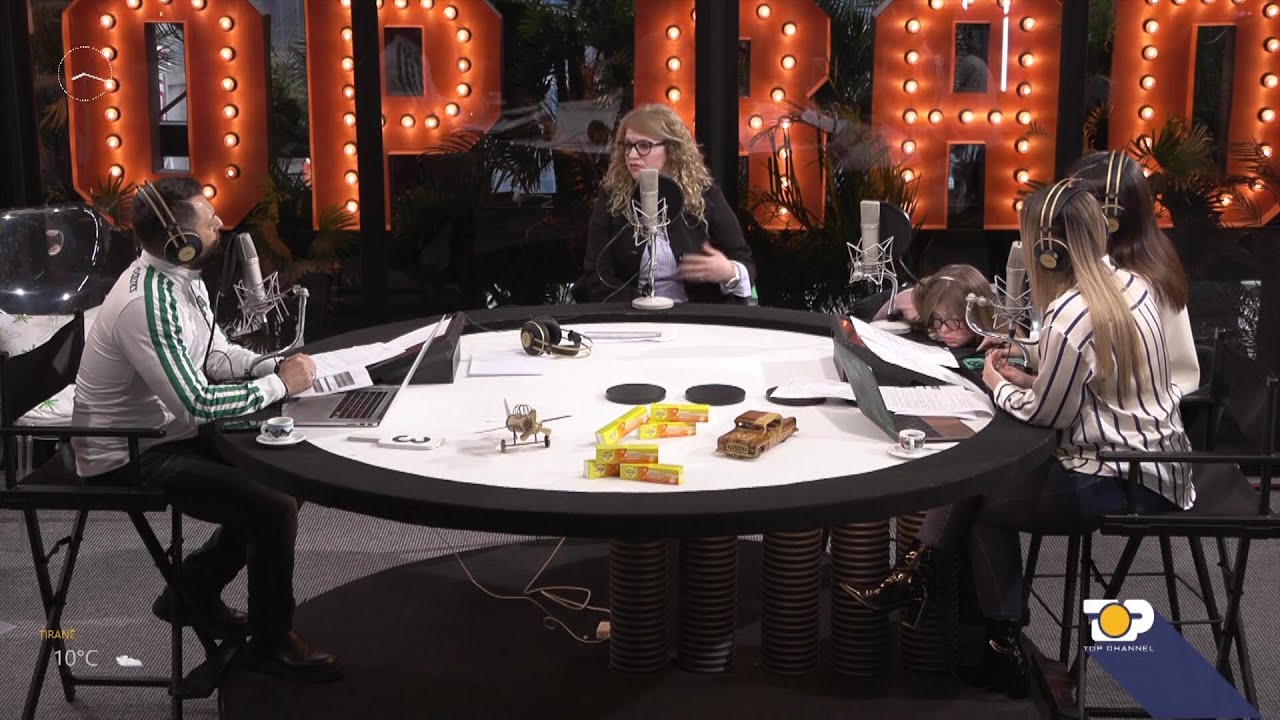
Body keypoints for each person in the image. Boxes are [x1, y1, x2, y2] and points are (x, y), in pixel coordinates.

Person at [848, 180, 1193, 699]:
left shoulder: (1071, 315)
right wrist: (1028, 356)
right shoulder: (1127, 284)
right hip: (1162, 462)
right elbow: (1093, 378)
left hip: (1117, 477)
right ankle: (944, 600)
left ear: (1049, 248)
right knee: (979, 493)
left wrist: (997, 383)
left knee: (980, 498)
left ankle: (943, 598)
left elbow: (1048, 412)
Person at [70, 176, 342, 682]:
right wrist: (279, 386)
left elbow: (211, 354)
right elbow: (196, 403)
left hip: (166, 431)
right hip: (129, 454)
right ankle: (271, 642)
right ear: (181, 239)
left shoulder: (181, 276)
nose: (219, 222)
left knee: (289, 470)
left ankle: (191, 590)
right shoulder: (145, 304)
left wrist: (268, 367)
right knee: (274, 506)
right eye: (207, 218)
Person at [579, 104, 755, 304]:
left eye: (643, 146)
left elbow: (744, 262)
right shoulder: (611, 198)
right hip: (632, 313)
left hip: (696, 316)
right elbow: (597, 277)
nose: (632, 155)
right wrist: (644, 307)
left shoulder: (705, 195)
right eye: (627, 146)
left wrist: (729, 272)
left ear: (671, 150)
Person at [1068, 149, 1199, 393]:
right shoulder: (1151, 256)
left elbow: (1083, 366)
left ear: (1110, 217)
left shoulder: (1132, 285)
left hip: (1133, 407)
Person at [873, 264, 997, 349]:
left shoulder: (999, 323)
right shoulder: (910, 302)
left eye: (954, 321)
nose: (943, 330)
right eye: (937, 319)